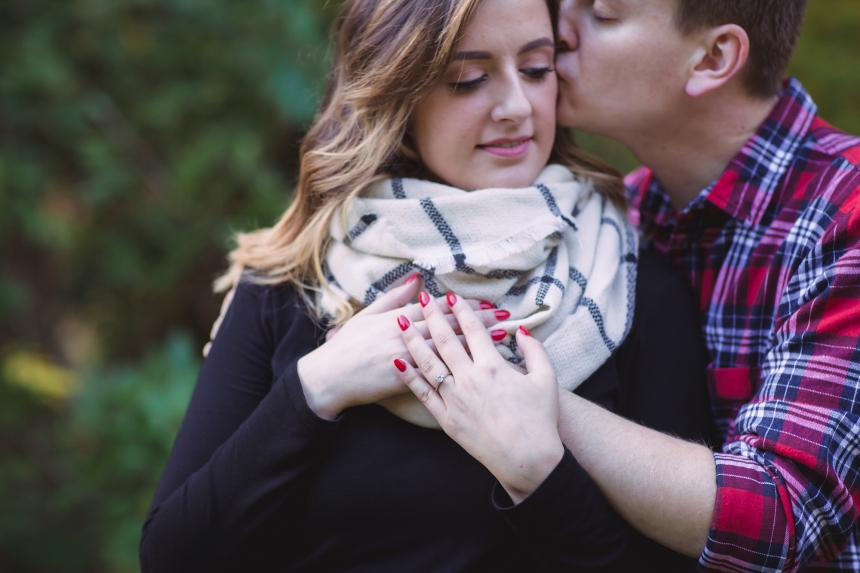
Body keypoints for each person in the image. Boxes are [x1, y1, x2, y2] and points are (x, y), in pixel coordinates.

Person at [140, 0, 714, 570]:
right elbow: (173, 557)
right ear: (398, 92)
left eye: (537, 69)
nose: (517, 105)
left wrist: (540, 475)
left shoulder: (631, 284)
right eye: (469, 79)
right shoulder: (291, 282)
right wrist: (316, 387)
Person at [397, 0, 860, 571]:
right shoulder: (620, 219)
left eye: (602, 14)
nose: (558, 30)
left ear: (713, 58)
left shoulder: (845, 215)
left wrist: (503, 385)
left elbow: (785, 516)